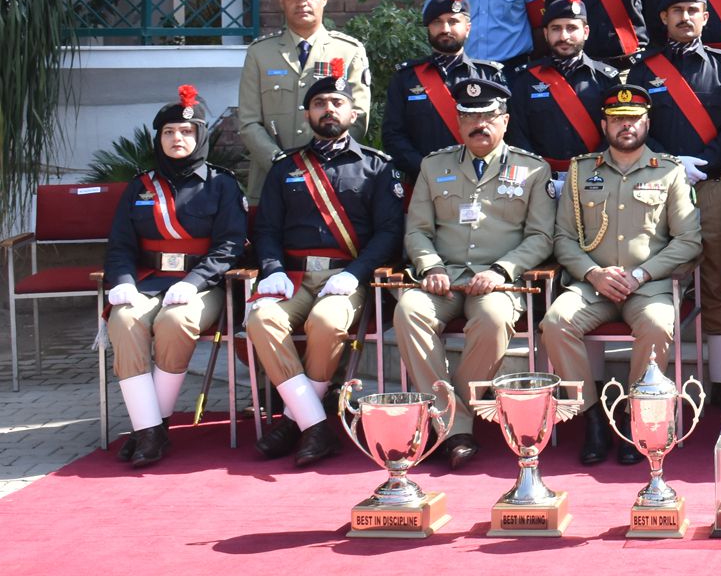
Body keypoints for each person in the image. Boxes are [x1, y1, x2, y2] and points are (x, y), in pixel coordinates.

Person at [247, 64, 405, 466]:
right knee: (261, 319)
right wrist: (273, 269)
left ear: (353, 113)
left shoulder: (377, 166)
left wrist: (355, 273)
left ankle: (292, 423)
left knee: (326, 322)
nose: (328, 109)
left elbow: (389, 232)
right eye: (319, 103)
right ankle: (315, 425)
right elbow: (266, 229)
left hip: (347, 277)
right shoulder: (285, 168)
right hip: (294, 276)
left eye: (337, 102)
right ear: (307, 114)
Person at [395, 76, 557, 469]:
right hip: (443, 276)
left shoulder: (532, 169)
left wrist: (503, 270)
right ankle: (456, 426)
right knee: (409, 310)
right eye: (469, 117)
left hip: (499, 282)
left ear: (505, 120)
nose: (479, 124)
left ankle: (448, 420)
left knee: (493, 319)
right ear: (458, 122)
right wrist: (430, 265)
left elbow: (541, 237)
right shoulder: (434, 166)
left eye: (488, 116)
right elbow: (417, 230)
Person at [541, 83, 702, 465]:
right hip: (592, 286)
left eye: (633, 119)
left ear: (647, 123)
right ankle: (593, 418)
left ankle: (634, 417)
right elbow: (563, 238)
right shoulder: (581, 171)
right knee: (555, 322)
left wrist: (642, 274)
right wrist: (593, 273)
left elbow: (689, 241)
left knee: (658, 324)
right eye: (617, 120)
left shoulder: (670, 172)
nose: (625, 125)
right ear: (604, 125)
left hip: (648, 286)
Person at [102, 86, 247, 467]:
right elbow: (119, 244)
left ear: (200, 136)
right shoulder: (140, 186)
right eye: (168, 132)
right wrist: (123, 283)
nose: (176, 138)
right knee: (123, 320)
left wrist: (192, 282)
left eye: (186, 132)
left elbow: (230, 245)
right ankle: (151, 430)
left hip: (201, 285)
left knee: (175, 321)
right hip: (147, 282)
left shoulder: (222, 184)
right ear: (159, 138)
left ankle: (149, 428)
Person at [626, 0, 721, 408]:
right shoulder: (644, 70)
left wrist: (708, 163)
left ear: (706, 17)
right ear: (663, 18)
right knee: (657, 278)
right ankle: (655, 380)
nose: (685, 17)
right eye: (676, 11)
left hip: (710, 184)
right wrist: (672, 162)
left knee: (716, 280)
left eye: (693, 10)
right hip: (656, 187)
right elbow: (635, 126)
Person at [237, 0, 371, 201]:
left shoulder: (349, 51)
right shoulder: (259, 53)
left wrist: (327, 160)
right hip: (272, 179)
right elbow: (249, 122)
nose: (302, 2)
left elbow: (358, 116)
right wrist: (279, 163)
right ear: (281, 0)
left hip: (333, 177)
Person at [382, 0, 505, 179]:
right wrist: (426, 170)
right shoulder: (406, 78)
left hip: (481, 180)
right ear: (428, 29)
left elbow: (505, 132)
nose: (445, 29)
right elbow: (393, 135)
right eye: (437, 22)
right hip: (424, 180)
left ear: (468, 28)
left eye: (453, 21)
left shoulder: (489, 75)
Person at [506, 0, 625, 176]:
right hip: (539, 176)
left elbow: (616, 128)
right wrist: (537, 173)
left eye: (571, 28)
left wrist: (593, 169)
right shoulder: (526, 79)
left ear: (586, 32)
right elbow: (517, 133)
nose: (564, 36)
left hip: (595, 174)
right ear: (546, 34)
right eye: (556, 29)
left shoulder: (606, 77)